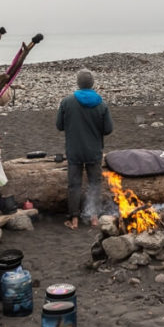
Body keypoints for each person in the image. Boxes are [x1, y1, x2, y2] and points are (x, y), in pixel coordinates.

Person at [56, 68, 114, 230]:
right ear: (92, 84)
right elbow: (108, 129)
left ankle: (74, 219)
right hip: (94, 150)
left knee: (74, 185)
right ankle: (94, 217)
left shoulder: (67, 102)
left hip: (74, 150)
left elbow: (59, 125)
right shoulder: (101, 103)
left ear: (78, 83)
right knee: (94, 183)